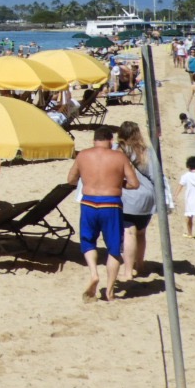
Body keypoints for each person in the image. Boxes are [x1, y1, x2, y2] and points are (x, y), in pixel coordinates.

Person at [67, 126, 140, 303]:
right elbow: (134, 183)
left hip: (88, 203)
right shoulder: (119, 157)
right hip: (111, 204)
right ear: (111, 140)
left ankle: (93, 273)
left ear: (94, 140)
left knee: (88, 241)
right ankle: (109, 291)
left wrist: (87, 179)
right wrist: (118, 184)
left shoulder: (83, 155)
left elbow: (70, 179)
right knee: (114, 248)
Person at [116, 121, 169, 285]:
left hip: (129, 196)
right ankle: (140, 266)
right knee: (141, 233)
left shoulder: (118, 151)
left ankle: (127, 271)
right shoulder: (147, 152)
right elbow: (156, 176)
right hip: (148, 197)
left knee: (129, 233)